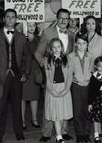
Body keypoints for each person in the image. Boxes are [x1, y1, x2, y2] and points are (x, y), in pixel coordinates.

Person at [0, 8, 31, 143]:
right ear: (4, 19)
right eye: (8, 17)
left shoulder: (21, 36)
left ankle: (19, 131)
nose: (11, 19)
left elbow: (27, 56)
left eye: (13, 17)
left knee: (17, 105)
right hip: (0, 77)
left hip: (16, 76)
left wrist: (26, 72)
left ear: (16, 20)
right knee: (0, 106)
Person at [35, 8, 75, 142]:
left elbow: (71, 54)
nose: (64, 21)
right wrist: (45, 64)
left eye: (66, 18)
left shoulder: (71, 34)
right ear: (56, 19)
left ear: (69, 20)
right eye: (61, 18)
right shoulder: (47, 32)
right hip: (51, 74)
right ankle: (46, 133)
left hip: (65, 73)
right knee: (50, 103)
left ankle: (64, 132)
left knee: (63, 103)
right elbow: (38, 52)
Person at [44, 38, 73, 143]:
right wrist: (52, 91)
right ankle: (59, 136)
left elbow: (70, 76)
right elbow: (47, 78)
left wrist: (66, 89)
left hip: (64, 88)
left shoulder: (67, 59)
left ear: (62, 47)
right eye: (54, 47)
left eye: (58, 47)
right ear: (51, 49)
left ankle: (60, 133)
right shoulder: (47, 60)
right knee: (56, 113)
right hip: (53, 89)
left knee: (62, 113)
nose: (56, 49)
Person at [67, 33, 94, 142]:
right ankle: (79, 134)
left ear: (87, 44)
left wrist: (90, 79)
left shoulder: (91, 56)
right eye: (79, 43)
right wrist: (73, 78)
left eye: (84, 43)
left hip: (88, 85)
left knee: (87, 110)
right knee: (77, 110)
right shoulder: (71, 56)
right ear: (75, 44)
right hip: (76, 86)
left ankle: (86, 133)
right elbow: (69, 72)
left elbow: (93, 71)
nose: (81, 46)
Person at [22, 22, 42, 130]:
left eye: (33, 26)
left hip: (35, 69)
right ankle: (22, 120)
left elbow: (39, 52)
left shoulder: (39, 39)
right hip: (24, 68)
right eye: (29, 25)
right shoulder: (20, 38)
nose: (31, 27)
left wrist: (31, 40)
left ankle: (34, 119)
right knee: (22, 97)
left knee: (35, 96)